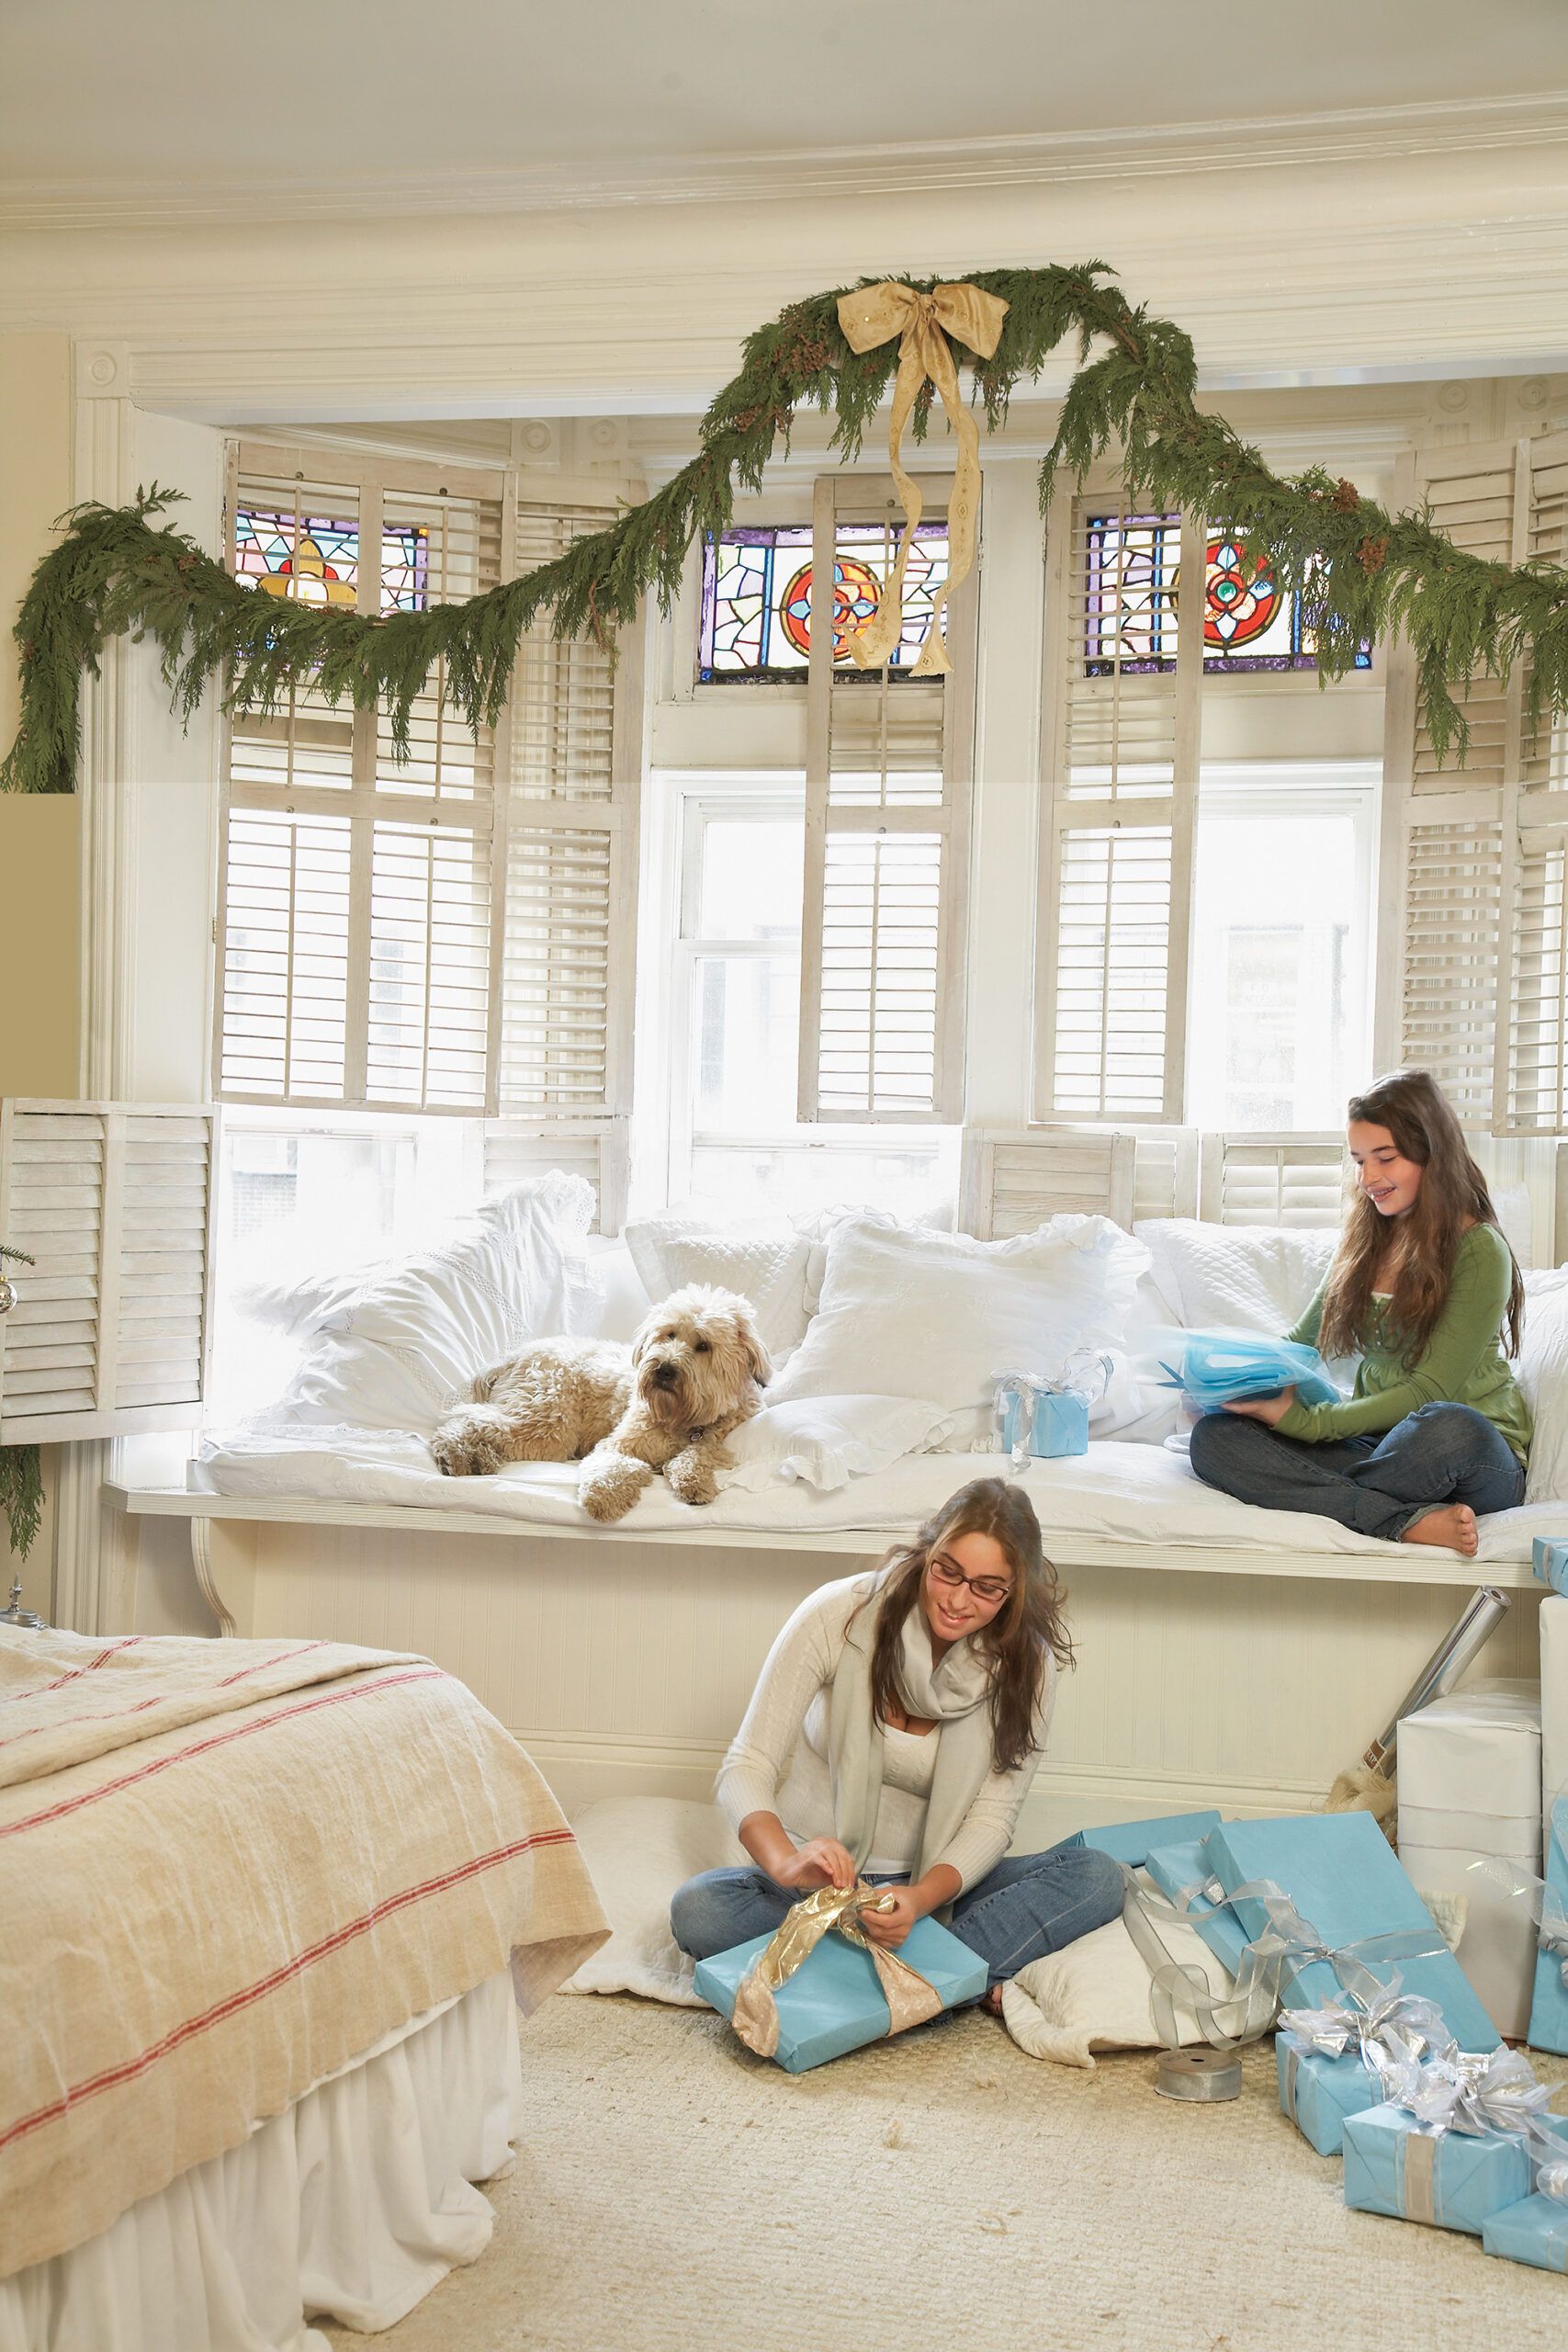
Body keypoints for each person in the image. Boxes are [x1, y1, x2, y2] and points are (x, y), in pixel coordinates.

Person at [669, 1476, 1122, 2015]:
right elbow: (747, 1765)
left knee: (1096, 1877)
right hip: (817, 1890)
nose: (957, 1600)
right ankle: (930, 1987)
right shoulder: (842, 1612)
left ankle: (854, 1989)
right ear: (928, 1550)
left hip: (930, 1898)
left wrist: (919, 1900)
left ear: (1014, 1591)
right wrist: (789, 1864)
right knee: (698, 1909)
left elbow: (993, 1820)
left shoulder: (1028, 1665)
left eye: (985, 1587)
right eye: (947, 1571)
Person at [1188, 1069, 1529, 1558]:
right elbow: (1302, 1345)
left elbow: (1428, 1391)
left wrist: (1306, 1425)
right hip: (1381, 1449)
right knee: (1214, 1440)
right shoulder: (1367, 1240)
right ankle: (1397, 1518)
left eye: (1385, 1158)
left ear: (1431, 1152)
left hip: (1470, 1455)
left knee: (1447, 1425)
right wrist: (1229, 1383)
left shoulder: (1479, 1249)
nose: (1368, 1178)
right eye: (1359, 1161)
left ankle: (1337, 1496)